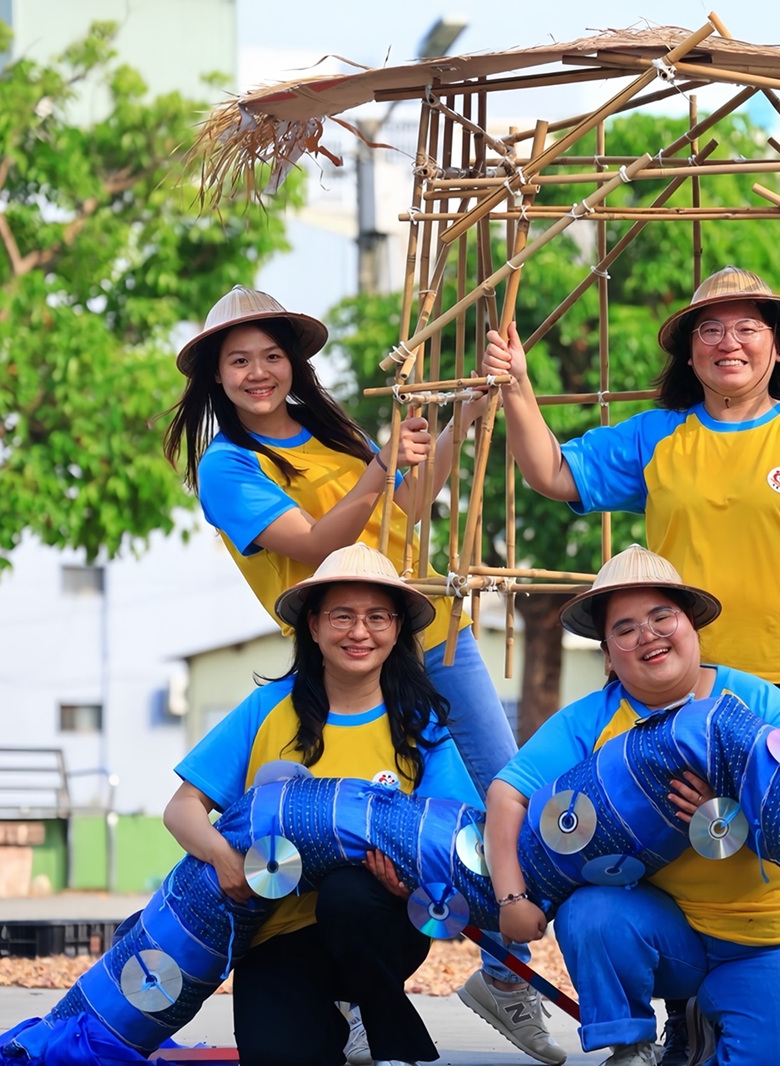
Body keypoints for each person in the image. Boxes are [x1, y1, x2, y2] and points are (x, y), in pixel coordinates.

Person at [163, 289, 562, 1065]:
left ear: (294, 363)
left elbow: (406, 506)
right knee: (343, 831)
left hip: (431, 633)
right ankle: (344, 989)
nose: (258, 372)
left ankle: (501, 975)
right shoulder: (228, 465)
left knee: (508, 800)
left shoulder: (330, 435)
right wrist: (380, 467)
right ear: (215, 374)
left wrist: (461, 422)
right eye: (239, 359)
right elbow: (313, 544)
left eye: (271, 356)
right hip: (349, 659)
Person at [484, 266, 780, 799]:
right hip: (689, 687)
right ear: (691, 352)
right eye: (710, 330)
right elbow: (552, 473)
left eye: (748, 327)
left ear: (778, 346)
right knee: (700, 842)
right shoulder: (656, 436)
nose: (730, 343)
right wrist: (517, 385)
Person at [484, 545, 780, 1066]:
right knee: (591, 912)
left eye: (662, 617)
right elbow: (507, 792)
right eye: (625, 628)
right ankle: (633, 1047)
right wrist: (511, 898)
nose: (647, 635)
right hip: (664, 929)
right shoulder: (593, 717)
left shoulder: (754, 700)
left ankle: (702, 1020)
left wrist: (731, 811)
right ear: (609, 652)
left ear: (692, 624)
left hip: (768, 931)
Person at [163, 544, 486, 1066]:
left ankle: (389, 1041)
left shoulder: (418, 723)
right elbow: (181, 809)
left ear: (399, 629)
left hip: (382, 923)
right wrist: (226, 860)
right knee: (279, 1054)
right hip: (277, 928)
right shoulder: (269, 709)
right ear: (313, 626)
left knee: (346, 893)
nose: (360, 632)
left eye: (377, 617)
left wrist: (408, 881)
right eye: (343, 616)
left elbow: (455, 838)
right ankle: (336, 1016)